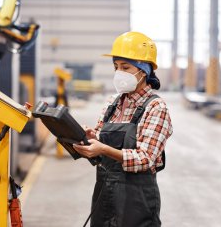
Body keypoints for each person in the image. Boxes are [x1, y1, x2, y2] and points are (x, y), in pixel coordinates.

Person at [73, 31, 173, 227]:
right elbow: (101, 153)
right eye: (116, 67)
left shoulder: (155, 107)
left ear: (143, 70)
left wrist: (103, 149)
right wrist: (93, 138)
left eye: (125, 67)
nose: (119, 72)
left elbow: (145, 158)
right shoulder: (113, 103)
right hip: (104, 195)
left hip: (136, 201)